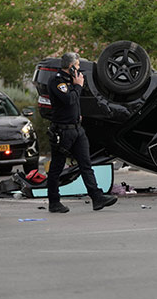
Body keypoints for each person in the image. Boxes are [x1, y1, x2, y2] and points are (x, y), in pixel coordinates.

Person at [46, 52, 117, 213]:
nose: (79, 69)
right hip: (63, 131)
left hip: (77, 129)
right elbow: (69, 100)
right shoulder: (57, 81)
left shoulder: (71, 80)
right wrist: (77, 85)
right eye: (77, 66)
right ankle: (54, 202)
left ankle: (97, 197)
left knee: (86, 164)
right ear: (71, 67)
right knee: (57, 167)